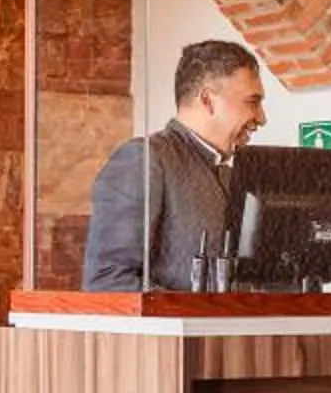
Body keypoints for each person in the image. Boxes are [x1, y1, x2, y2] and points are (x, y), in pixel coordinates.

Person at [80, 40, 267, 291]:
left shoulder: (231, 174)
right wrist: (195, 313)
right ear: (207, 100)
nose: (261, 118)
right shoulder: (144, 159)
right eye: (252, 102)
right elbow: (106, 282)